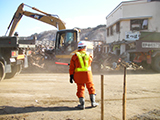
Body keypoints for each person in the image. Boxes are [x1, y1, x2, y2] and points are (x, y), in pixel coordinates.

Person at [69, 41, 98, 109]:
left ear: (78, 47)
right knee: (91, 87)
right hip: (88, 75)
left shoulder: (75, 56)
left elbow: (72, 67)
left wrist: (71, 76)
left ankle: (82, 105)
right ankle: (93, 102)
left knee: (80, 89)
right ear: (85, 47)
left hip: (78, 76)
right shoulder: (89, 55)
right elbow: (89, 62)